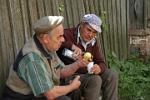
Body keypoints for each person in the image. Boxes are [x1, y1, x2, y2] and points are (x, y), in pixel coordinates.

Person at [2, 16, 91, 100]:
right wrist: (71, 87)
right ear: (45, 38)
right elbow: (50, 94)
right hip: (22, 98)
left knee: (75, 92)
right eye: (59, 36)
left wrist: (78, 64)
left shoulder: (48, 47)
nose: (63, 40)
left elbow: (61, 71)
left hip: (37, 94)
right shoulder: (33, 58)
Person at [57, 14, 118, 100]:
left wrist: (99, 68)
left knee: (111, 74)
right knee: (95, 80)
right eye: (89, 30)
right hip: (70, 74)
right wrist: (72, 46)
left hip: (87, 73)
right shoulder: (67, 34)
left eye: (94, 32)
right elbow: (55, 41)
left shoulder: (93, 42)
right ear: (82, 25)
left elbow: (101, 62)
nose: (91, 35)